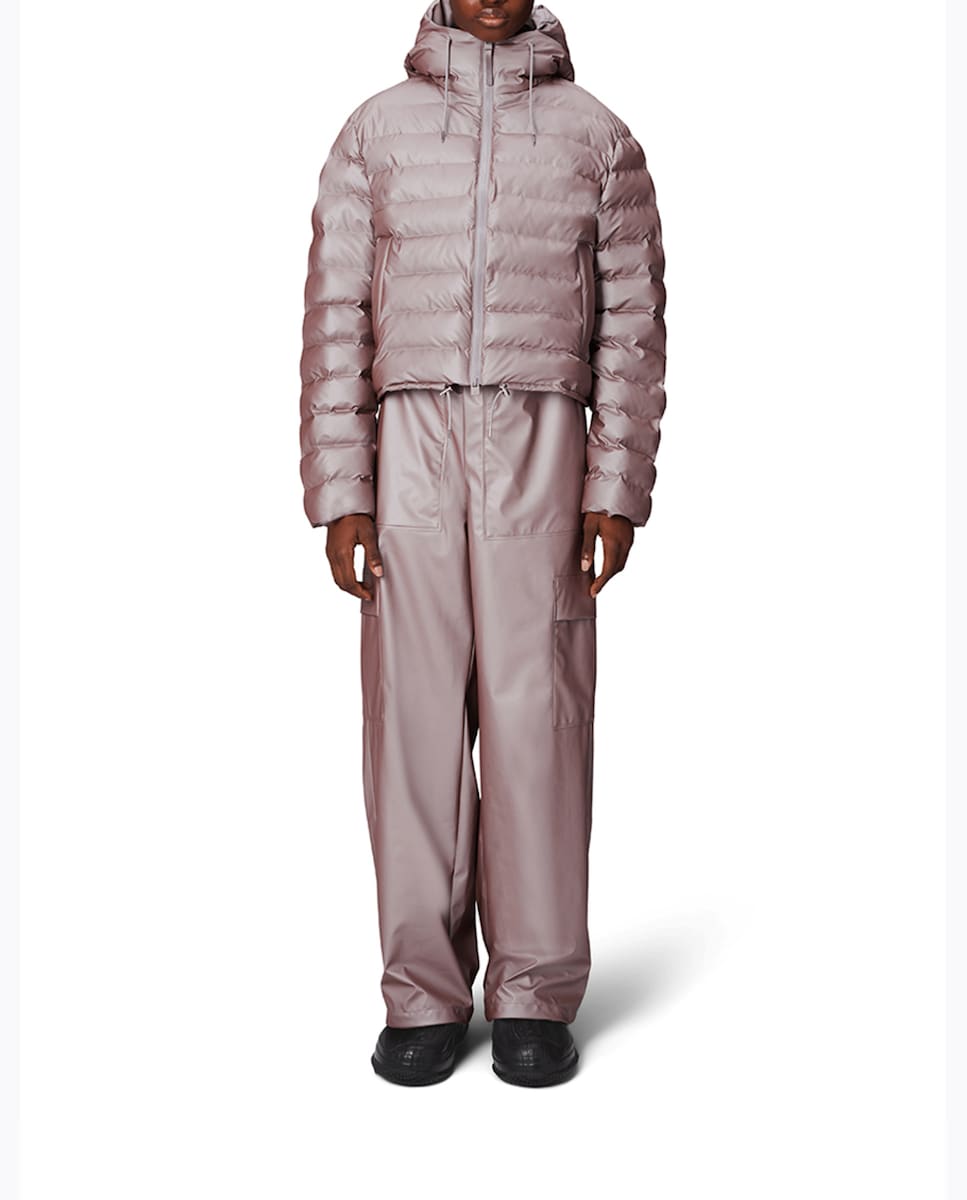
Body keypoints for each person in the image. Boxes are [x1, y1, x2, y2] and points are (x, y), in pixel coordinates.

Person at [298, 0, 666, 1087]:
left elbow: (633, 327)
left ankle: (533, 994)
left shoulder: (598, 137)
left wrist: (616, 488)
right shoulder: (375, 131)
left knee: (536, 722)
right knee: (411, 725)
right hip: (406, 441)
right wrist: (341, 491)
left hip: (540, 441)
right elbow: (333, 317)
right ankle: (421, 993)